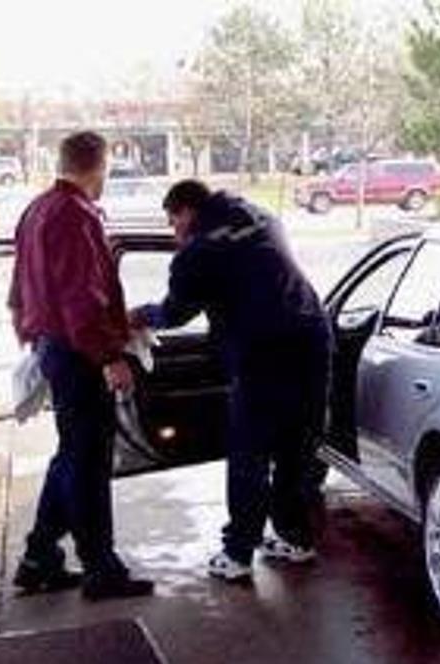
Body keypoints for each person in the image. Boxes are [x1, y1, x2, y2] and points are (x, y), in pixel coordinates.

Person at [130, 180, 332, 582]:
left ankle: (238, 553)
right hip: (312, 339)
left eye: (173, 222)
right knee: (297, 446)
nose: (174, 231)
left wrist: (139, 315)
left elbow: (175, 313)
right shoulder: (261, 216)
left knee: (248, 454)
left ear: (186, 211)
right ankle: (295, 537)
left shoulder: (198, 252)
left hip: (262, 355)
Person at [8, 131, 154, 600]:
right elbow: (81, 299)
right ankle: (101, 569)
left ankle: (40, 557)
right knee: (89, 462)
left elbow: (18, 288)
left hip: (55, 346)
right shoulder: (75, 216)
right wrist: (110, 356)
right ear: (100, 166)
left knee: (72, 454)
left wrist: (31, 337)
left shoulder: (37, 210)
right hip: (78, 351)